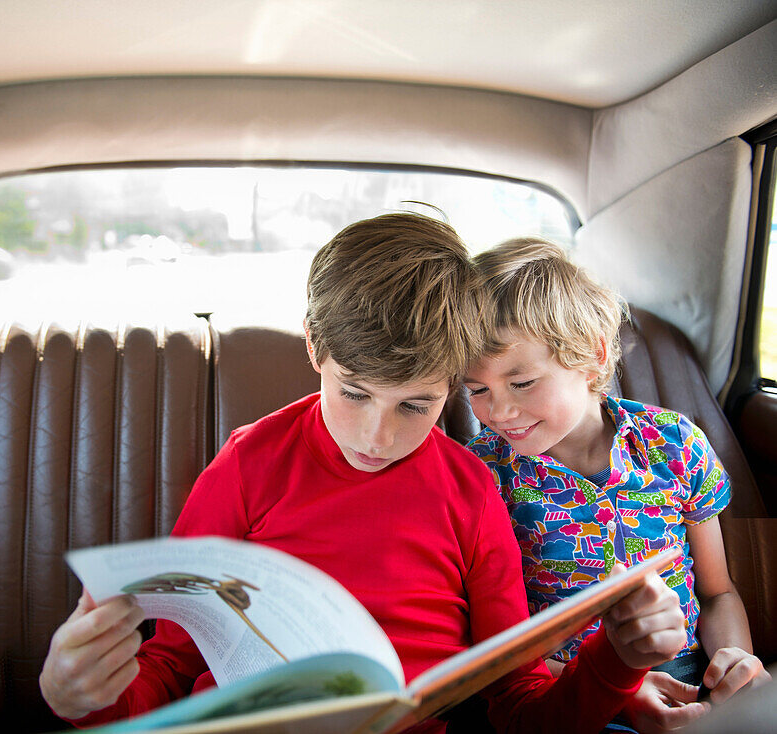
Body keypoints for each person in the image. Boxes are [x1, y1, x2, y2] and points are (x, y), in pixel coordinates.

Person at [39, 213, 689, 733]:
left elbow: (518, 705)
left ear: (453, 388)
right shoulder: (249, 463)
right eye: (353, 393)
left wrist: (616, 663)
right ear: (315, 348)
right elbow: (172, 663)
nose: (378, 438)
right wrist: (86, 695)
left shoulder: (470, 491)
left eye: (416, 405)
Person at [463, 237, 772, 732]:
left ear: (592, 357)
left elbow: (717, 594)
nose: (497, 412)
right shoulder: (483, 475)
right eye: (477, 390)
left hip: (689, 675)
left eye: (521, 384)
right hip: (567, 687)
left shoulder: (673, 444)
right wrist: (617, 690)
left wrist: (735, 665)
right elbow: (500, 646)